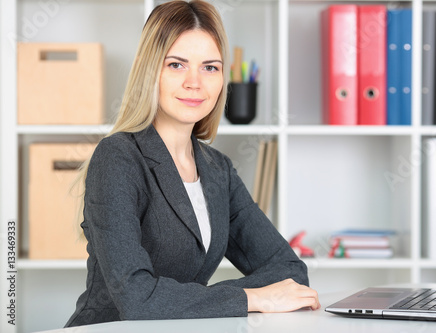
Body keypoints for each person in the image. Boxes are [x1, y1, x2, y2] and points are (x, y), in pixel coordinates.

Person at [65, 0, 320, 327]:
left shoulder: (218, 169)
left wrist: (187, 300)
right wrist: (254, 297)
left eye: (210, 67)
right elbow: (136, 298)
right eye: (176, 65)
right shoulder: (118, 158)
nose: (194, 82)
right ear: (149, 69)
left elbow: (289, 270)